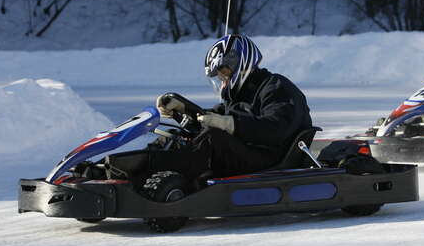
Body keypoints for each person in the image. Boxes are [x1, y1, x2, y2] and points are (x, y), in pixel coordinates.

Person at [104, 34, 312, 194]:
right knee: (182, 136)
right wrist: (181, 110)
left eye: (224, 73)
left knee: (212, 137)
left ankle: (144, 175)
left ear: (240, 63)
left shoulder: (276, 87)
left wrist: (230, 124)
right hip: (246, 153)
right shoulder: (238, 96)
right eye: (219, 76)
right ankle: (125, 166)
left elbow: (275, 129)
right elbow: (209, 117)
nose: (222, 80)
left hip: (270, 157)